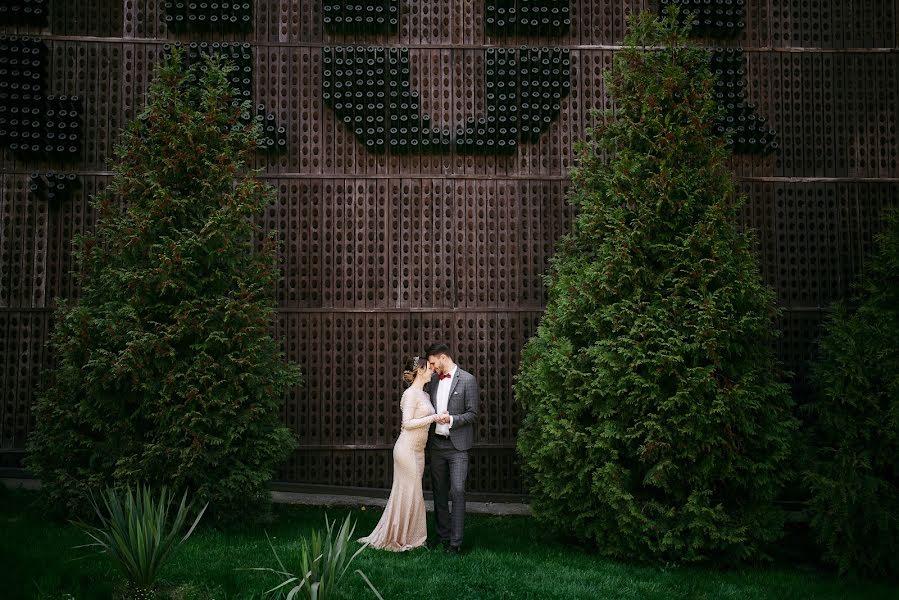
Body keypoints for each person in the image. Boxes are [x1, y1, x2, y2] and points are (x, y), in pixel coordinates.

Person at [358, 356, 439, 551]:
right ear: (419, 370)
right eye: (429, 368)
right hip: (406, 449)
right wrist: (434, 417)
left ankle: (409, 535)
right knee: (412, 493)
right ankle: (403, 538)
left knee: (410, 493)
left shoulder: (425, 395)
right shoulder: (410, 394)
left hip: (419, 451)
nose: (432, 371)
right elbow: (407, 424)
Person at [425, 342, 479, 554]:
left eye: (432, 363)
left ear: (443, 357)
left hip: (458, 447)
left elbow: (473, 414)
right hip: (436, 445)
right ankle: (442, 536)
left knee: (457, 491)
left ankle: (455, 544)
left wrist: (452, 419)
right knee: (438, 493)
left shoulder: (468, 380)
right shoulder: (434, 381)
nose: (431, 367)